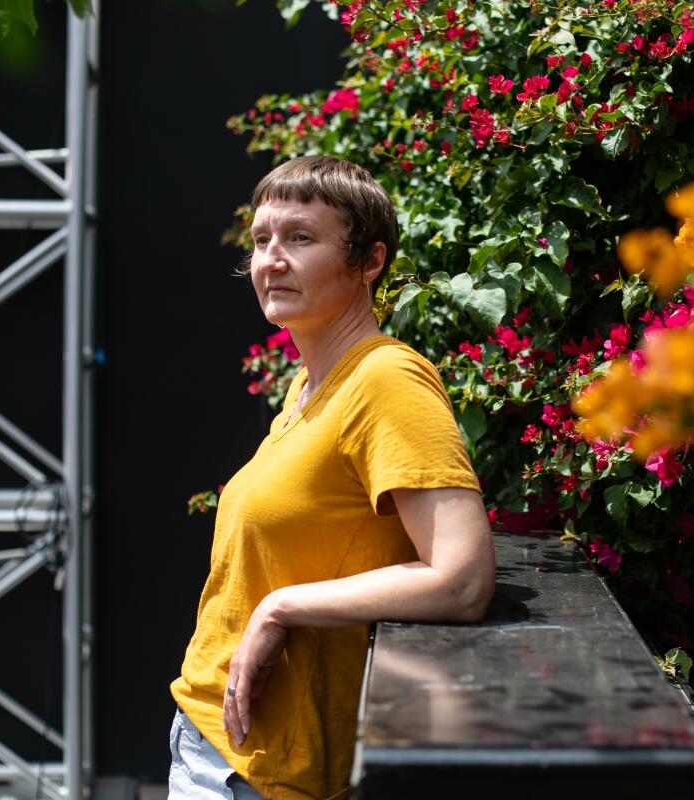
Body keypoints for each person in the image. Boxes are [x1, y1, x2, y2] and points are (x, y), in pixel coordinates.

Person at [168, 155, 496, 800]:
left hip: (266, 771)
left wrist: (281, 608)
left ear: (369, 262)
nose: (270, 260)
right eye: (262, 240)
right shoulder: (311, 383)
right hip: (212, 736)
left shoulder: (386, 382)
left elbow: (462, 580)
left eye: (300, 238)